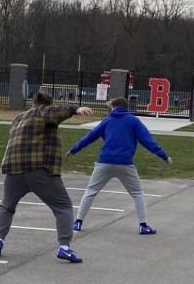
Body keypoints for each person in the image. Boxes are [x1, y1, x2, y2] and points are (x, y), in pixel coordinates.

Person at [0, 92, 94, 262]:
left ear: (33, 102)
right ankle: (64, 247)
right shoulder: (44, 111)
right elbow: (54, 112)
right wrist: (76, 109)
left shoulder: (18, 118)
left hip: (13, 168)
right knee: (63, 206)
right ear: (48, 103)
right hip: (38, 167)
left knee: (7, 206)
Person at [66, 97, 172, 234]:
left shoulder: (107, 120)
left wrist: (74, 150)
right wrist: (164, 156)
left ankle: (78, 222)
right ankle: (143, 225)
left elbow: (90, 137)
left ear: (114, 107)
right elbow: (147, 141)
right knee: (137, 193)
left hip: (104, 161)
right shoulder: (133, 121)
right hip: (125, 163)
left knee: (90, 191)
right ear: (125, 107)